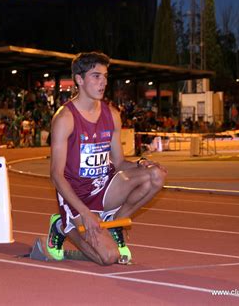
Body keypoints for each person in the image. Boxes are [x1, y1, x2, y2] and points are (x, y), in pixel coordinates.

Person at [47, 52, 167, 266]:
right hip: (77, 196)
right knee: (108, 258)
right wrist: (85, 214)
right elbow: (56, 176)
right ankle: (62, 226)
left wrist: (141, 163)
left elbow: (119, 162)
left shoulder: (112, 115)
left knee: (156, 175)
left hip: (105, 190)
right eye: (96, 76)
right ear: (79, 79)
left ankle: (112, 224)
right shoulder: (65, 118)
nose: (102, 82)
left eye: (105, 76)